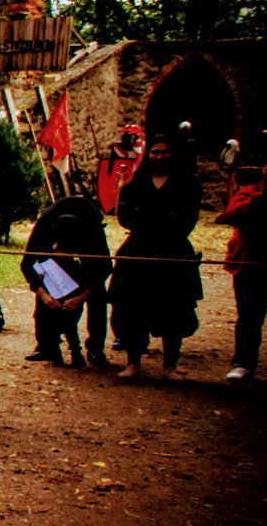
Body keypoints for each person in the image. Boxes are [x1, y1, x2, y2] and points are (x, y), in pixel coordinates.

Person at [109, 135, 203, 381]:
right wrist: (162, 217)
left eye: (166, 152)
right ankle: (133, 363)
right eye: (156, 152)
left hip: (172, 253)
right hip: (138, 252)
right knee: (132, 309)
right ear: (149, 155)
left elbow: (185, 221)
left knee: (173, 309)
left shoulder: (188, 185)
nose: (160, 157)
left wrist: (150, 218)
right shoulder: (135, 184)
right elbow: (126, 218)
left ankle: (169, 366)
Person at [21, 194, 111, 369]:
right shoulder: (44, 227)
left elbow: (105, 268)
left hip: (88, 249)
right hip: (51, 244)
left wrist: (82, 296)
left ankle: (96, 348)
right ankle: (46, 345)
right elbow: (27, 264)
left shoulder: (92, 229)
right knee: (46, 282)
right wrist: (43, 293)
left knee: (98, 296)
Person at [221, 156, 267, 383]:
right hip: (251, 263)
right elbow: (231, 215)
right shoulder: (249, 193)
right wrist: (262, 197)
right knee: (249, 317)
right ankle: (244, 363)